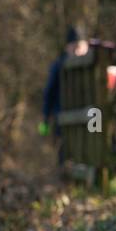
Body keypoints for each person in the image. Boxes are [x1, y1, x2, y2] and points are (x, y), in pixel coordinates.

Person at [40, 25, 91, 164]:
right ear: (67, 48)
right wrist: (45, 117)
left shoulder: (93, 67)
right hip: (62, 115)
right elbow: (49, 92)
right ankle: (65, 179)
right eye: (73, 47)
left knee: (89, 144)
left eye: (79, 47)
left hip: (89, 116)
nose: (76, 51)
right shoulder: (59, 66)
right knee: (65, 152)